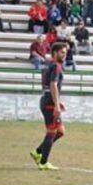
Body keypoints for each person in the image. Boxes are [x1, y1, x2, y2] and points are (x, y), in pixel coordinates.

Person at [29, 42, 68, 171]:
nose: (64, 54)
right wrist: (56, 104)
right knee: (51, 132)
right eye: (62, 52)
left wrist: (58, 101)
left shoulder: (48, 65)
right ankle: (43, 162)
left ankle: (38, 151)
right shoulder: (56, 66)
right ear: (55, 53)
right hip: (49, 103)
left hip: (47, 99)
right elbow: (53, 85)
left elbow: (47, 86)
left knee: (61, 132)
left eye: (65, 52)